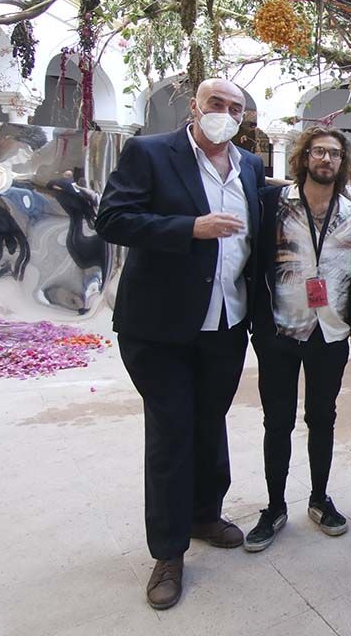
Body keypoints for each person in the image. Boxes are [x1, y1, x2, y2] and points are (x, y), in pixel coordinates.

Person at [95, 78, 265, 610]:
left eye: (235, 109)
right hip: (160, 327)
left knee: (209, 421)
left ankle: (204, 514)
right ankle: (167, 553)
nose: (225, 114)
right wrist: (189, 227)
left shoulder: (251, 166)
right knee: (171, 431)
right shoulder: (150, 153)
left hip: (227, 322)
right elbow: (113, 219)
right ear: (195, 106)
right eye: (217, 104)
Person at [242, 126, 351, 553]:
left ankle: (319, 498)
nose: (326, 160)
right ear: (304, 157)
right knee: (276, 422)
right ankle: (274, 506)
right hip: (279, 329)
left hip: (330, 332)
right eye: (318, 152)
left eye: (333, 154)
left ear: (343, 162)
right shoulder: (271, 203)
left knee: (322, 418)